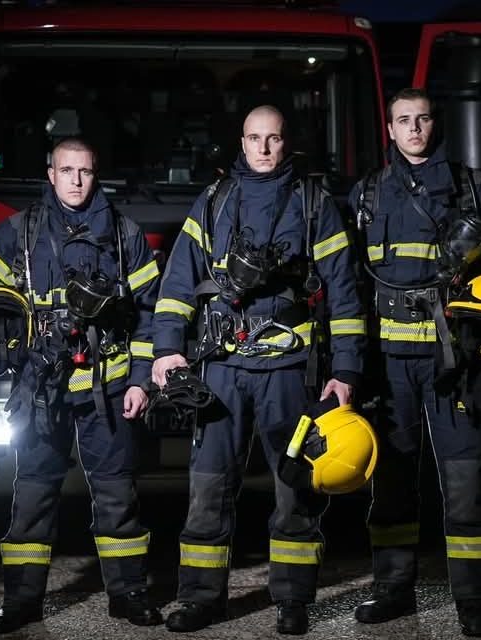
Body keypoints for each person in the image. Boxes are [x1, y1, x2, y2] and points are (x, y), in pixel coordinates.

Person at [0, 138, 163, 634]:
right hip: (43, 386)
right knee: (33, 494)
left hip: (109, 384)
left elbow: (151, 314)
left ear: (95, 173)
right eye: (67, 170)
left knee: (117, 495)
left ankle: (129, 594)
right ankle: (21, 601)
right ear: (51, 174)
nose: (76, 181)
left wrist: (141, 381)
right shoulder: (22, 231)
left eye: (85, 171)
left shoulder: (124, 235)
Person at [151, 104, 366, 636]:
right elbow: (179, 281)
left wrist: (346, 370)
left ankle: (292, 599)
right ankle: (200, 598)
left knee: (295, 487)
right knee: (208, 486)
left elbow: (343, 294)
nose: (264, 149)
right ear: (241, 144)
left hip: (289, 369)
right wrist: (166, 349)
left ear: (286, 142)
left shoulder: (314, 203)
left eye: (273, 139)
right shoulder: (215, 200)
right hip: (220, 366)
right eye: (254, 139)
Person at [347, 88, 481, 637]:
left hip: (457, 357)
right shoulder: (366, 194)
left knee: (466, 478)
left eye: (423, 119)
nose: (414, 129)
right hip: (389, 364)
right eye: (403, 121)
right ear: (389, 129)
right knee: (390, 480)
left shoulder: (476, 187)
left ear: (436, 124)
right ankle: (392, 591)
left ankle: (473, 602)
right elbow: (340, 277)